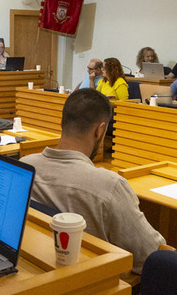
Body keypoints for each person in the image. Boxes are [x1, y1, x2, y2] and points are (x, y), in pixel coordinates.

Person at [22, 89, 164, 274]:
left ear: (62, 123)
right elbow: (150, 257)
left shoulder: (25, 167)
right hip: (95, 288)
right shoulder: (110, 186)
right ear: (100, 130)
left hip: (38, 273)